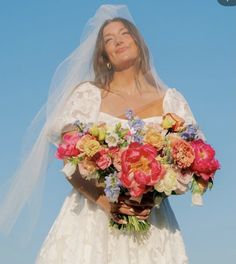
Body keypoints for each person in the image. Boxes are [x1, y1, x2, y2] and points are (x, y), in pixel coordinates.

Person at [0, 5, 205, 264]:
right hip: (92, 216)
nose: (118, 41)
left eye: (124, 34)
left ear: (138, 43)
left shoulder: (171, 101)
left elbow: (191, 162)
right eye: (109, 40)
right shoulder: (88, 95)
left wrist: (149, 199)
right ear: (105, 56)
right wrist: (107, 203)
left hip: (151, 222)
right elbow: (70, 162)